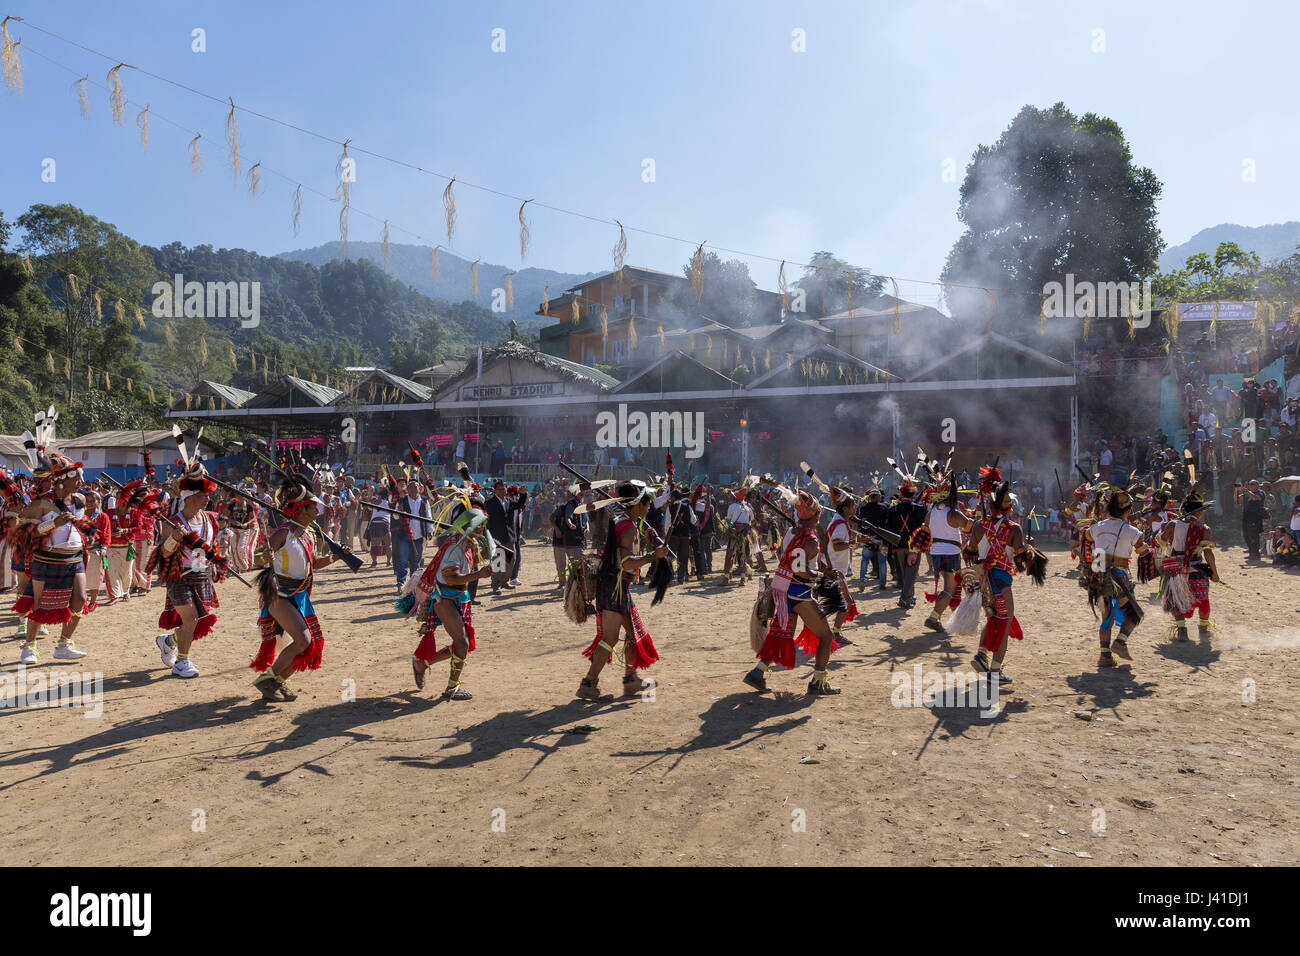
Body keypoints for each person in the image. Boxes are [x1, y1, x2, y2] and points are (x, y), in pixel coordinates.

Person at [744, 490, 841, 696]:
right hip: (800, 594)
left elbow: (792, 559)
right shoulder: (812, 541)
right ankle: (818, 682)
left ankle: (758, 672)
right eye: (818, 515)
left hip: (782, 590)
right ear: (813, 516)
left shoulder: (790, 532)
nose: (819, 518)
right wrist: (821, 577)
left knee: (781, 633)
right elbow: (802, 570)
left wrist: (823, 569)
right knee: (826, 635)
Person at [249, 475, 337, 701]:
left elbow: (314, 564)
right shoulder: (283, 533)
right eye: (313, 508)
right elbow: (258, 559)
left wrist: (335, 557)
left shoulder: (308, 533)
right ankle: (268, 679)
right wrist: (264, 555)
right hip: (279, 595)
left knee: (310, 645)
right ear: (300, 509)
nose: (317, 512)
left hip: (300, 596)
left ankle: (277, 682)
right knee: (303, 640)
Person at [577, 481, 663, 701]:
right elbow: (626, 564)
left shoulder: (626, 523)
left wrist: (645, 539)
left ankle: (630, 680)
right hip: (613, 587)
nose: (649, 507)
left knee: (633, 634)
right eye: (646, 503)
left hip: (617, 587)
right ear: (637, 505)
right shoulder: (627, 527)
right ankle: (588, 683)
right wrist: (654, 556)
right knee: (610, 638)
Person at [406, 496, 497, 699]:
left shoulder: (467, 543)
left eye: (482, 526)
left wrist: (488, 549)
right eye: (478, 525)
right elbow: (451, 576)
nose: (481, 529)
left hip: (459, 597)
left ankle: (422, 663)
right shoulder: (455, 547)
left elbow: (468, 564)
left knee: (461, 643)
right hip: (445, 599)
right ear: (467, 525)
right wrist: (478, 575)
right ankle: (451, 688)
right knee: (462, 643)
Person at [11, 445, 92, 664]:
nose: (80, 483)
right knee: (40, 604)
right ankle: (29, 646)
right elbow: (26, 533)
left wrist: (87, 532)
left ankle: (64, 643)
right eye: (76, 479)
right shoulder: (41, 503)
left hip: (75, 558)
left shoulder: (79, 501)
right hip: (47, 558)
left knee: (80, 599)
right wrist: (52, 523)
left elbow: (83, 525)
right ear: (63, 479)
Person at [148, 469, 226, 679]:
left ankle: (169, 641)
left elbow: (211, 546)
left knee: (198, 620)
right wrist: (174, 538)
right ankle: (182, 662)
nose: (208, 499)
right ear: (190, 497)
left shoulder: (209, 519)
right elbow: (164, 552)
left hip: (202, 575)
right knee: (190, 619)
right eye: (203, 495)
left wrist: (217, 565)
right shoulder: (173, 522)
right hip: (179, 576)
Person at [1084, 484, 1151, 668]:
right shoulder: (1132, 531)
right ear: (1128, 510)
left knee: (1107, 617)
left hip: (1098, 575)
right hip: (1118, 576)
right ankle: (1120, 642)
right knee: (1135, 613)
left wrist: (1100, 527)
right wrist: (1148, 545)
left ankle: (1104, 656)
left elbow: (1087, 536)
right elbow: (1142, 550)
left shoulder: (1097, 526)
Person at [1158, 492, 1220, 642]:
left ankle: (1182, 630)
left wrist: (1162, 531)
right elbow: (1208, 554)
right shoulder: (1205, 529)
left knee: (1175, 600)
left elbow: (1161, 542)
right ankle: (1203, 631)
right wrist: (1215, 573)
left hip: (1176, 569)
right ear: (1198, 512)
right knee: (1203, 600)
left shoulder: (1173, 524)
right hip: (1196, 568)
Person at [1237, 479, 1267, 560]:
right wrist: (1236, 490)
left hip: (1255, 517)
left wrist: (1245, 490)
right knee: (1246, 535)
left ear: (1258, 485)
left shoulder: (1260, 492)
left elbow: (1254, 498)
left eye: (1253, 484)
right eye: (1250, 484)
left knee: (1254, 536)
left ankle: (1256, 554)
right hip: (1246, 516)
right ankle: (1251, 553)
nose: (1251, 485)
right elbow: (1237, 500)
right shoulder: (1246, 493)